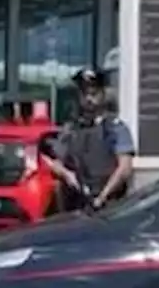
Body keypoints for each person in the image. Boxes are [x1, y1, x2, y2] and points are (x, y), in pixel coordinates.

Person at [41, 68, 135, 211]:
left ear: (102, 95)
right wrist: (67, 175)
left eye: (93, 94)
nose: (88, 99)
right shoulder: (72, 128)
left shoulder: (115, 128)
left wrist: (102, 197)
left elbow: (125, 168)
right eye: (84, 94)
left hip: (110, 204)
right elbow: (54, 161)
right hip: (76, 203)